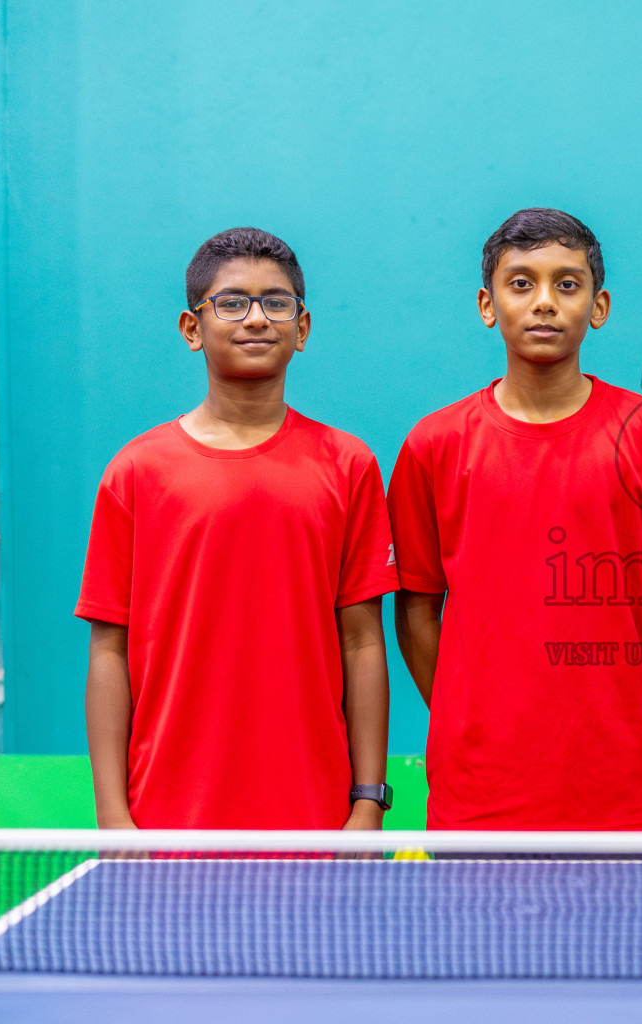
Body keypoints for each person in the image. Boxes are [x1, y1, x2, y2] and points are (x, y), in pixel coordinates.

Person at [388, 208, 642, 830]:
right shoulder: (433, 445)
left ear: (598, 307)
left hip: (614, 779)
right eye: (521, 283)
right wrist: (462, 716)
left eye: (566, 284)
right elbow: (416, 607)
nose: (544, 302)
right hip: (474, 784)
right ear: (487, 305)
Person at [78, 227, 398, 830]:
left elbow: (362, 643)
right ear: (192, 327)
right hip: (166, 824)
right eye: (232, 302)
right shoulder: (136, 471)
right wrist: (114, 819)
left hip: (315, 819)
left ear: (302, 329)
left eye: (277, 302)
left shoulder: (349, 466)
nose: (256, 318)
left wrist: (366, 801)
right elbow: (108, 651)